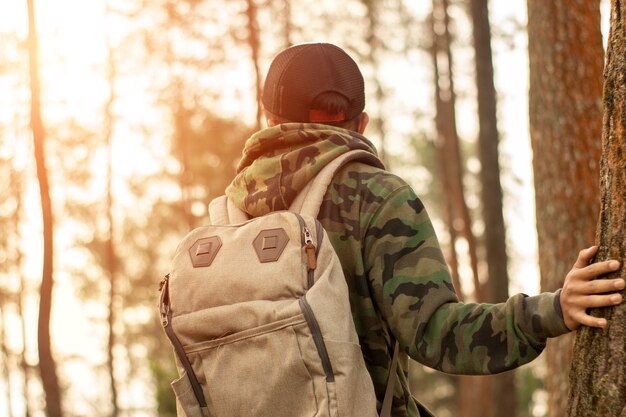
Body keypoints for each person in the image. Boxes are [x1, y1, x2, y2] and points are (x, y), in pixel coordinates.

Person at [223, 42, 624, 416]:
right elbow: (437, 335)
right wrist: (552, 310)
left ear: (268, 121)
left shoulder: (230, 212)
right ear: (361, 123)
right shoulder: (377, 197)